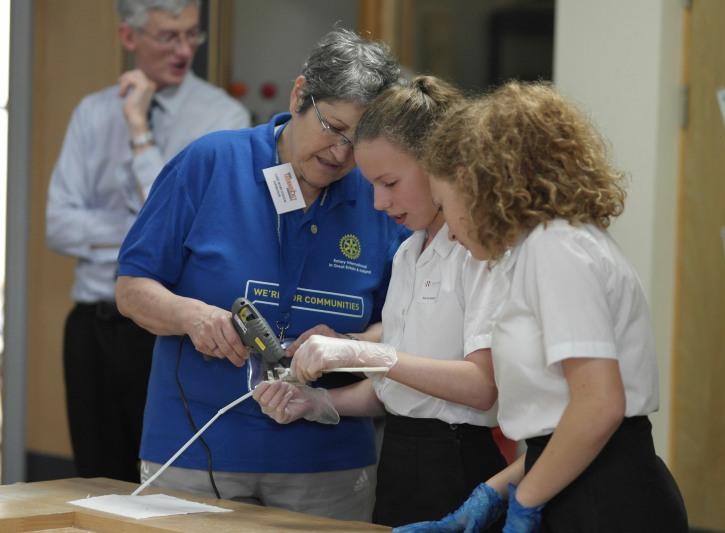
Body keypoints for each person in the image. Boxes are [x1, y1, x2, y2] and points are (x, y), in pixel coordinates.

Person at [115, 28, 406, 521]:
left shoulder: (378, 196)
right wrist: (190, 315)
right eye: (333, 128)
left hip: (327, 462)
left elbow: (404, 324)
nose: (341, 154)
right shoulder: (210, 163)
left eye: (358, 142)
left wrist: (351, 341)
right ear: (299, 96)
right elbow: (132, 288)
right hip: (198, 449)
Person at [398, 81, 688, 532]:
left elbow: (599, 407)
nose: (450, 232)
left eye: (443, 205)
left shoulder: (557, 249)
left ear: (479, 187)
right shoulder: (542, 249)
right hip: (574, 480)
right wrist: (492, 494)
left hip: (604, 500)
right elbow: (557, 423)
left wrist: (526, 502)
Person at [253, 76, 508, 529]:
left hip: (461, 460)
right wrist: (317, 403)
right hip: (400, 458)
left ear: (439, 164)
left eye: (389, 182)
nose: (377, 202)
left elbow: (481, 386)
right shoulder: (409, 252)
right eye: (370, 184)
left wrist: (361, 351)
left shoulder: (478, 250)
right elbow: (403, 390)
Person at [45, 0, 249, 482]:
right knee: (93, 476)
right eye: (167, 37)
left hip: (166, 329)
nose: (183, 50)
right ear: (129, 37)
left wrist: (139, 132)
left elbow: (192, 233)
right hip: (92, 324)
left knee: (158, 481)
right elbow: (58, 224)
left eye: (191, 35)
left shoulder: (223, 118)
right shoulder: (92, 113)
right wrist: (144, 235)